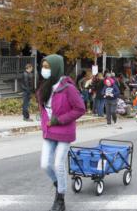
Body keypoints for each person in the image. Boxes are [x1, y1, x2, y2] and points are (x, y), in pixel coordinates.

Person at [37, 54, 85, 211]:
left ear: (56, 68)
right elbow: (43, 110)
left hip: (64, 130)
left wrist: (59, 120)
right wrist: (45, 124)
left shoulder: (68, 88)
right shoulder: (44, 86)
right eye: (43, 67)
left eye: (47, 67)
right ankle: (58, 183)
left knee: (58, 164)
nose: (44, 70)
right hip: (49, 131)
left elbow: (80, 109)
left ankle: (60, 198)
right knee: (45, 165)